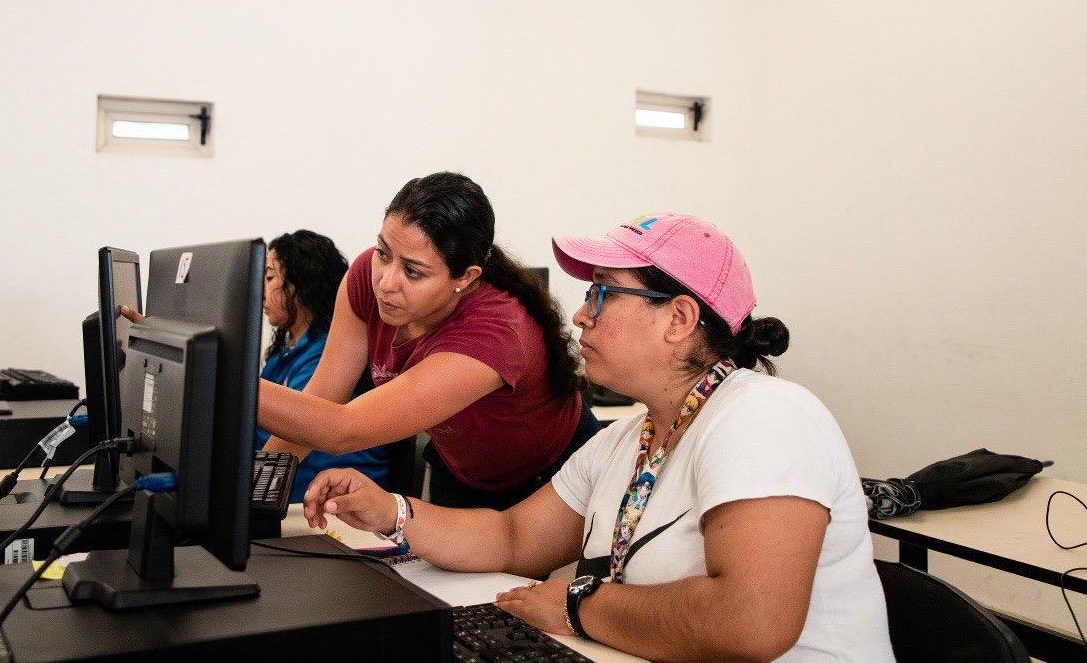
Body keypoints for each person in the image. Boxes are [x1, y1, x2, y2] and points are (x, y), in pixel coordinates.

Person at [302, 212, 894, 661]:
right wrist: (391, 512)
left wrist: (577, 605)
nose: (582, 315)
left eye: (603, 293)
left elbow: (753, 619)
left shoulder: (764, 416)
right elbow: (512, 537)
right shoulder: (626, 440)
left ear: (679, 319)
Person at [259, 172, 600, 509]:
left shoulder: (494, 332)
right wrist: (254, 495)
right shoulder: (366, 277)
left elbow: (343, 429)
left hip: (546, 471)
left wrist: (224, 377)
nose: (386, 282)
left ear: (465, 278)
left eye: (413, 272)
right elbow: (321, 403)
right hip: (459, 467)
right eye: (383, 252)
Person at [256, 230, 390, 502]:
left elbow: (296, 433)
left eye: (270, 277)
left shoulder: (322, 355)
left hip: (323, 497)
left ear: (299, 284)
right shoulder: (287, 351)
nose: (261, 289)